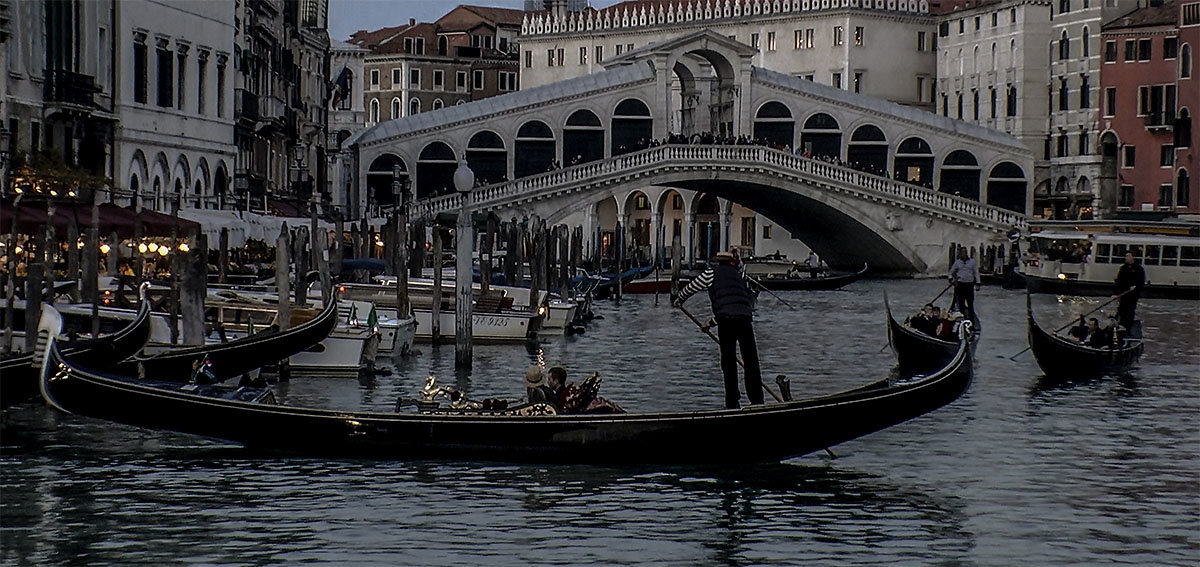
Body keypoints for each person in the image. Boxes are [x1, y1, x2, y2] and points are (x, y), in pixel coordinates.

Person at [674, 250, 764, 409]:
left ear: (717, 262)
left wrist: (679, 299)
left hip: (726, 321)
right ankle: (757, 401)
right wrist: (712, 322)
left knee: (728, 362)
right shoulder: (739, 276)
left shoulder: (711, 273)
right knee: (751, 361)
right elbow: (744, 300)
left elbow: (692, 287)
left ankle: (732, 402)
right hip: (745, 318)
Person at [948, 247, 981, 324]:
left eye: (965, 252)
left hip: (969, 286)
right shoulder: (957, 262)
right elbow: (950, 272)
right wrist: (951, 280)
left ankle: (972, 322)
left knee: (970, 304)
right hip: (960, 285)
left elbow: (976, 273)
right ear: (960, 254)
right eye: (962, 252)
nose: (963, 254)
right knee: (961, 304)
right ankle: (962, 322)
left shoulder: (972, 262)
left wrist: (978, 284)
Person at [1113, 252, 1145, 331]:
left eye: (1128, 256)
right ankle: (1118, 326)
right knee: (1121, 310)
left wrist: (1135, 290)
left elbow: (1141, 282)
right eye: (1126, 256)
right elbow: (1119, 281)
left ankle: (1127, 328)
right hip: (1123, 294)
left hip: (1132, 296)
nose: (1126, 258)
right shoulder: (1123, 268)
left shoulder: (1138, 269)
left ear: (1133, 257)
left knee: (1130, 311)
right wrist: (1116, 293)